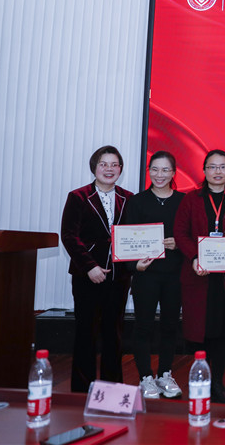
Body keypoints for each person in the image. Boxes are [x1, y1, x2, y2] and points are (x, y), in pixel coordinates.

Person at [174, 149, 225, 404]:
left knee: (222, 331)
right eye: (212, 166)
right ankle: (200, 381)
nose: (218, 171)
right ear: (204, 170)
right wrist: (195, 257)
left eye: (223, 167)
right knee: (200, 331)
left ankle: (217, 383)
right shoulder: (190, 199)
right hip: (199, 276)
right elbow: (180, 233)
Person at [60, 145, 132, 392]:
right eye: (103, 164)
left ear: (120, 169)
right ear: (94, 167)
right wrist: (90, 266)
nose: (109, 169)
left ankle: (113, 389)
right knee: (86, 333)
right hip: (87, 275)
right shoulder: (78, 197)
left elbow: (134, 235)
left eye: (114, 165)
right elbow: (69, 236)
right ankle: (82, 390)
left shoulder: (129, 198)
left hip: (119, 276)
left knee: (114, 334)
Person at [125, 151, 185, 399]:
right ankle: (145, 377)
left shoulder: (184, 201)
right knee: (144, 326)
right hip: (146, 274)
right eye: (155, 169)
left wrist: (178, 244)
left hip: (174, 274)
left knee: (170, 326)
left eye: (165, 170)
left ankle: (165, 374)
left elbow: (191, 236)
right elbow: (126, 239)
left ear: (174, 173)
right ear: (148, 171)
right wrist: (135, 265)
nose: (159, 175)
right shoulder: (137, 202)